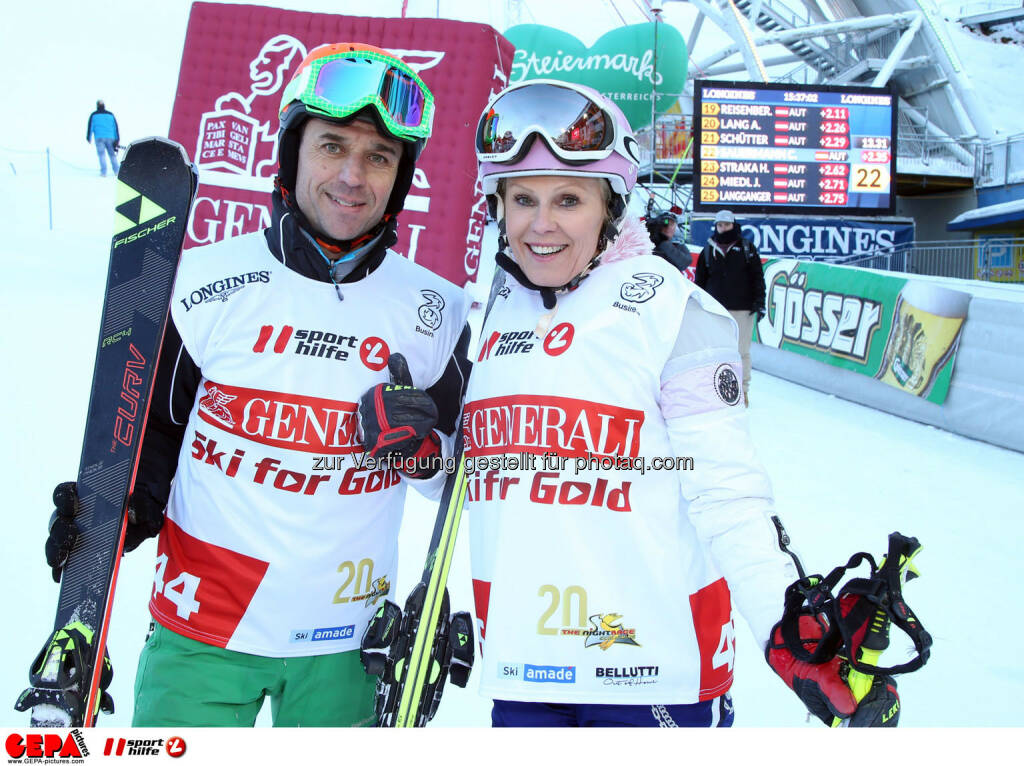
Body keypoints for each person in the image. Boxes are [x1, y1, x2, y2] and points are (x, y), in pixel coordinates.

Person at [41, 43, 471, 727]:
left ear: (401, 176)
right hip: (203, 630)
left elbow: (459, 481)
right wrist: (111, 517)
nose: (353, 176)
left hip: (349, 642)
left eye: (380, 157)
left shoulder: (435, 312)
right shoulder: (202, 283)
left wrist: (422, 449)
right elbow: (150, 433)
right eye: (332, 147)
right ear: (293, 152)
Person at [465, 79, 879, 728]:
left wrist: (784, 613)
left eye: (568, 199)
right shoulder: (485, 314)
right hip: (524, 662)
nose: (540, 224)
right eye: (522, 199)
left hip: (650, 665)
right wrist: (415, 450)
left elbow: (725, 491)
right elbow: (473, 481)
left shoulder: (669, 309)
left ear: (611, 207)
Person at [695, 209, 765, 406]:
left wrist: (759, 302)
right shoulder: (708, 249)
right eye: (720, 225)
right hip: (715, 309)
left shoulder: (746, 248)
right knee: (715, 350)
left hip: (743, 308)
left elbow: (757, 277)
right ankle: (715, 390)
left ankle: (743, 390)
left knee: (741, 351)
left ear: (733, 225)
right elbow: (700, 281)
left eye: (726, 224)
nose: (723, 228)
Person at [86, 100, 121, 176]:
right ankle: (117, 171)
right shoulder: (110, 115)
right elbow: (115, 127)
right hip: (110, 138)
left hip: (99, 138)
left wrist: (88, 138)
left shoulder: (93, 115)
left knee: (101, 155)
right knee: (112, 155)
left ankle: (103, 172)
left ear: (97, 106)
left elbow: (90, 127)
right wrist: (117, 139)